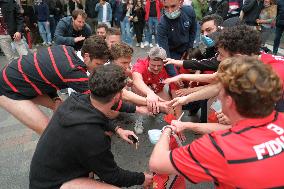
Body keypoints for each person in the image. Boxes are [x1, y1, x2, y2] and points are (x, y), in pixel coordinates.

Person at [149, 55, 284, 188]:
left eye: (220, 91)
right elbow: (235, 131)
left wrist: (166, 131)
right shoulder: (280, 118)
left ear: (229, 101)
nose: (217, 94)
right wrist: (186, 125)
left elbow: (157, 162)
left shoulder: (219, 147)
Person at [29, 64, 153, 189]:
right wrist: (142, 178)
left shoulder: (76, 99)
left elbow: (96, 114)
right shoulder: (94, 137)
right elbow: (113, 176)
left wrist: (118, 129)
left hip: (43, 174)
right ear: (116, 96)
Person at [0, 36, 141, 135]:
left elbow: (45, 74)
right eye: (97, 64)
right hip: (8, 87)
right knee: (48, 131)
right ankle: (58, 169)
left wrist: (55, 98)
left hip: (23, 78)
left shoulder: (67, 49)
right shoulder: (74, 72)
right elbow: (102, 101)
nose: (98, 69)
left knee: (59, 106)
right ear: (86, 56)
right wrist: (136, 109)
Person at [132, 47, 181, 116]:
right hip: (141, 92)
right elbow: (137, 80)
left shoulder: (170, 69)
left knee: (170, 109)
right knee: (135, 87)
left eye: (159, 65)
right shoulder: (140, 64)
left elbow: (176, 94)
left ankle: (155, 108)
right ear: (148, 60)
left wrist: (178, 119)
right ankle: (143, 105)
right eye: (153, 65)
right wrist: (150, 93)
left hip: (158, 91)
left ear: (164, 63)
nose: (156, 68)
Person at [156, 0, 196, 77]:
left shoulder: (189, 11)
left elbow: (193, 31)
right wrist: (174, 75)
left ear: (181, 3)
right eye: (166, 7)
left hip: (186, 47)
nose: (170, 11)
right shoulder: (162, 25)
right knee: (174, 78)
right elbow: (164, 52)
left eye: (173, 6)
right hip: (172, 52)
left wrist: (189, 50)